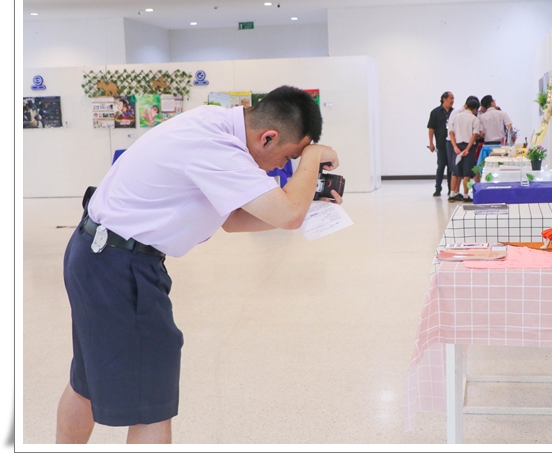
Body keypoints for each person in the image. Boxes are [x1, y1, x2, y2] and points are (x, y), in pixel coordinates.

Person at [56, 85, 342, 444]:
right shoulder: (216, 147)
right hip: (120, 266)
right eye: (289, 157)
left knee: (86, 382)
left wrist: (309, 205)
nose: (284, 167)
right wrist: (313, 157)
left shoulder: (211, 124)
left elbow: (234, 219)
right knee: (151, 404)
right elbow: (288, 214)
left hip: (98, 254)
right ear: (268, 137)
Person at [448, 96, 481, 203]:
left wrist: (455, 146)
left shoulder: (457, 117)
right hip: (469, 147)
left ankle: (452, 194)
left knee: (455, 172)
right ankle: (466, 196)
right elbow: (474, 135)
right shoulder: (475, 119)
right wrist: (467, 149)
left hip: (457, 146)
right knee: (467, 173)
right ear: (475, 109)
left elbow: (451, 133)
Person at [427, 91, 455, 197]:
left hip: (451, 144)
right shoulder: (435, 112)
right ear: (444, 99)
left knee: (451, 168)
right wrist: (431, 143)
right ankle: (438, 189)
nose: (452, 101)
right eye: (451, 98)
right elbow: (431, 129)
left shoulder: (454, 112)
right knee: (440, 167)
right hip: (441, 144)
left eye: (453, 98)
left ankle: (451, 189)